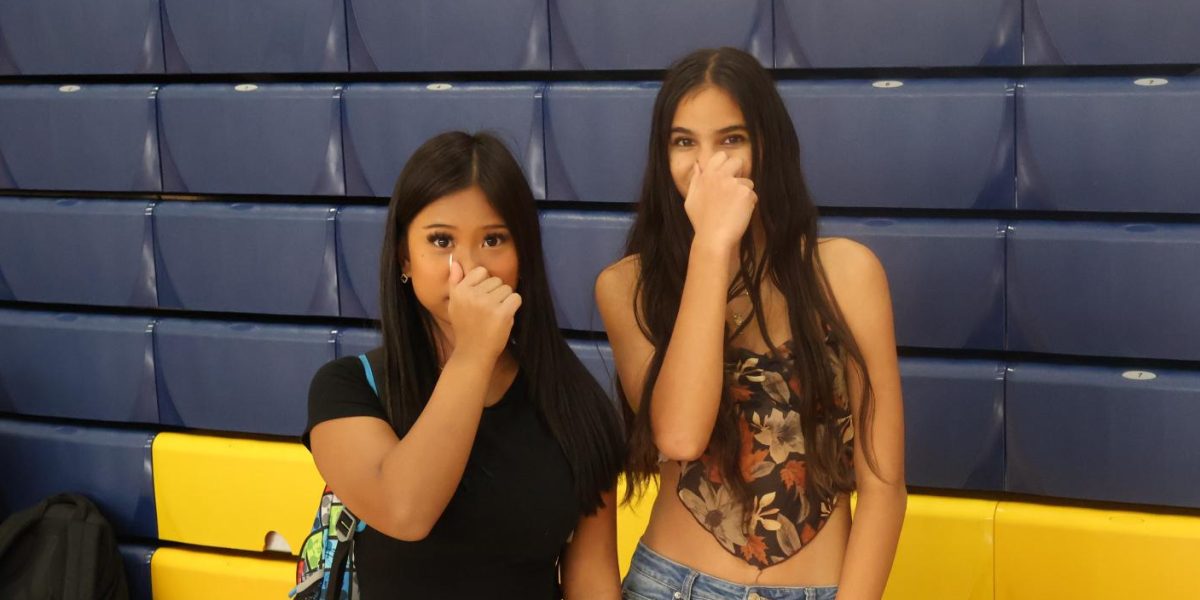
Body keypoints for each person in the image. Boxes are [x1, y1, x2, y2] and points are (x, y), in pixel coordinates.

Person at [595, 48, 906, 600]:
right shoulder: (628, 287)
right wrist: (712, 249)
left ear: (768, 147)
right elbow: (681, 434)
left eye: (731, 140)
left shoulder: (846, 273)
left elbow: (883, 484)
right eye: (684, 142)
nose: (707, 165)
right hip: (673, 585)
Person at [305, 131, 625, 598]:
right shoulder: (349, 388)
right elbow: (405, 511)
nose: (468, 266)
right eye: (440, 241)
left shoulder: (574, 405)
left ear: (523, 257)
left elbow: (593, 580)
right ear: (404, 258)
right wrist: (474, 353)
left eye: (493, 239)